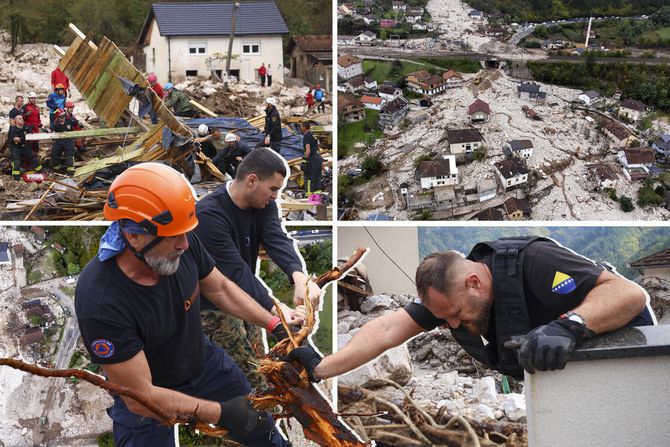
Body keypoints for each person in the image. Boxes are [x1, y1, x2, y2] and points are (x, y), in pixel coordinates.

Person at [75, 163, 294, 446]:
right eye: (175, 237)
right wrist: (222, 413)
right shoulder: (102, 301)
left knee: (263, 433)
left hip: (203, 364)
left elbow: (221, 288)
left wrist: (275, 324)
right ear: (134, 236)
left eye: (185, 233)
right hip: (147, 394)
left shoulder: (181, 239)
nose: (185, 245)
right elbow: (141, 398)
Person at [287, 236, 655, 382]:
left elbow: (629, 295)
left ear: (474, 282)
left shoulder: (536, 262)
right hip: (566, 378)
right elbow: (384, 331)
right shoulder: (448, 298)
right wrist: (321, 369)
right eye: (444, 317)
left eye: (455, 314)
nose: (451, 325)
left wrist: (571, 324)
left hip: (627, 362)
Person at [194, 148, 321, 388]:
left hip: (248, 298)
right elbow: (236, 272)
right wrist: (277, 308)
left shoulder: (263, 205)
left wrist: (300, 278)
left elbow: (276, 238)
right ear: (252, 180)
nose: (275, 196)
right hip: (215, 309)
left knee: (263, 364)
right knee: (247, 378)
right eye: (273, 189)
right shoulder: (209, 215)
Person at [8, 115, 42, 180]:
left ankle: (40, 171)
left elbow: (31, 133)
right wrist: (23, 138)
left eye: (22, 118)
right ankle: (16, 177)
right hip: (16, 147)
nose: (22, 120)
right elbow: (15, 139)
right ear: (16, 121)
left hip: (24, 146)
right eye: (20, 119)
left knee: (32, 158)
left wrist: (32, 133)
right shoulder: (14, 130)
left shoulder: (26, 127)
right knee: (16, 162)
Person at [49, 108, 77, 175]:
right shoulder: (55, 123)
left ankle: (70, 171)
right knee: (54, 154)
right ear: (58, 117)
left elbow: (76, 123)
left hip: (68, 140)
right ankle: (57, 169)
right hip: (59, 141)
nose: (63, 118)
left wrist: (79, 125)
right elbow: (50, 129)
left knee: (69, 154)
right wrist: (47, 130)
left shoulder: (69, 120)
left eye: (64, 115)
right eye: (61, 116)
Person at [300, 121, 322, 196]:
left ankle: (309, 197)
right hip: (318, 159)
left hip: (312, 159)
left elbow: (308, 150)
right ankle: (316, 199)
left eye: (301, 126)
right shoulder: (313, 135)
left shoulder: (306, 136)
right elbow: (318, 147)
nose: (300, 128)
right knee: (317, 179)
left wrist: (305, 160)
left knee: (309, 178)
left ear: (303, 127)